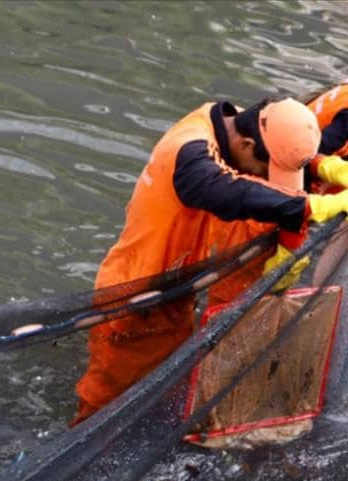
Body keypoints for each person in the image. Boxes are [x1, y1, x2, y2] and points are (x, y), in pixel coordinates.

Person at [73, 96, 348, 424]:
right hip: (133, 304)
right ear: (246, 145)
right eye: (267, 170)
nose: (268, 179)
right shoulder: (189, 151)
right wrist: (309, 207)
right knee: (102, 417)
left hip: (176, 297)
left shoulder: (230, 125)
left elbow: (253, 185)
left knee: (160, 401)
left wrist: (320, 166)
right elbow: (221, 189)